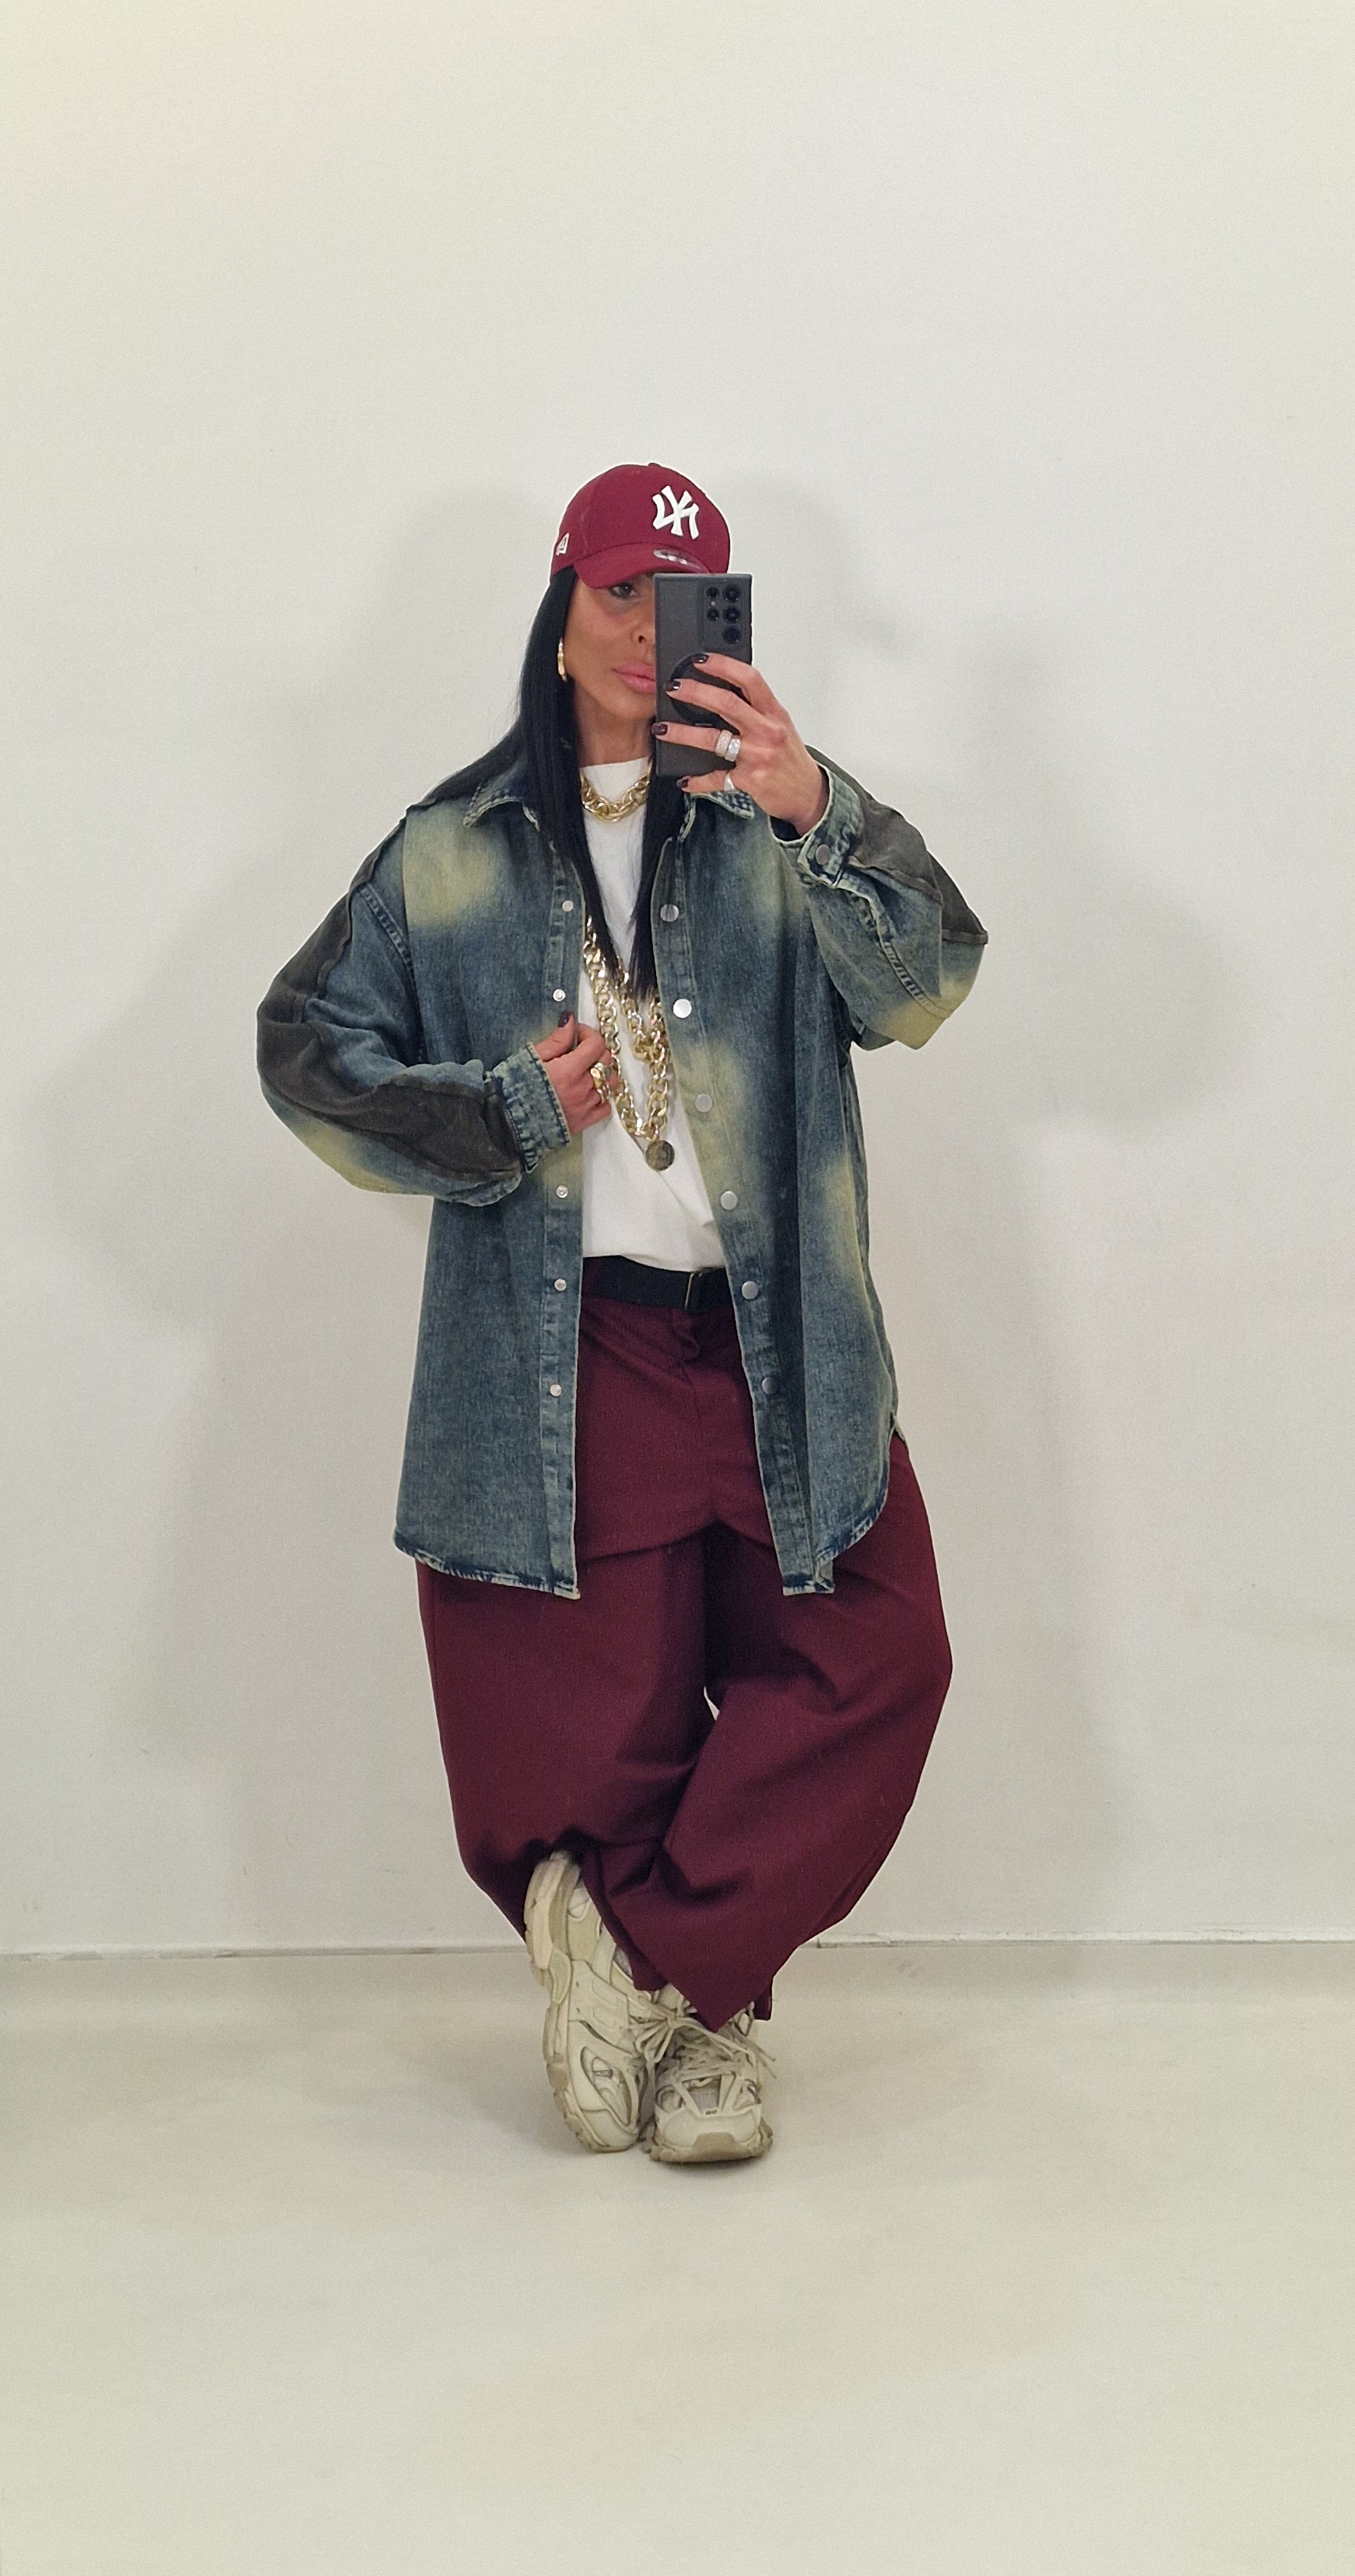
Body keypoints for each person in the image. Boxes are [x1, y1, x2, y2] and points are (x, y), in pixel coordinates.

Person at [257, 460, 987, 2164]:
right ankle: (708, 2041)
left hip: (779, 1340)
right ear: (562, 601)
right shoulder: (450, 850)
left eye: (681, 601)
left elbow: (930, 982)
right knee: (613, 1718)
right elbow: (306, 1051)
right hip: (567, 1343)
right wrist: (502, 1110)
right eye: (614, 595)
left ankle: (647, 1971)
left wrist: (820, 809)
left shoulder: (770, 818)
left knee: (877, 1656)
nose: (645, 633)